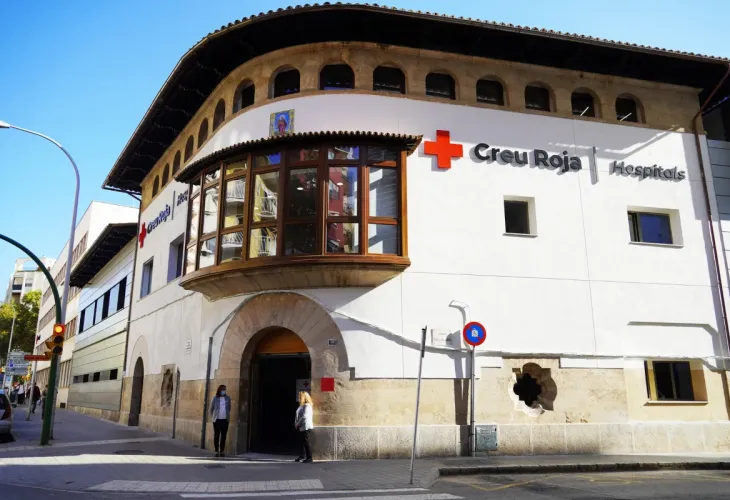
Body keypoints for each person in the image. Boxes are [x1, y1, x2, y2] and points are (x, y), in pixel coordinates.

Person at [209, 385, 231, 457]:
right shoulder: (215, 398)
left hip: (225, 420)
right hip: (217, 420)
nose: (223, 391)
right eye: (222, 389)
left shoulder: (228, 398)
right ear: (219, 390)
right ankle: (216, 450)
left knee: (223, 436)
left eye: (224, 389)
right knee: (217, 435)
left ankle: (222, 451)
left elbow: (229, 408)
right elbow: (211, 409)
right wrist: (213, 417)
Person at [294, 391, 314, 463]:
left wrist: (297, 424)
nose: (299, 398)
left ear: (304, 397)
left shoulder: (307, 406)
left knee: (306, 442)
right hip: (301, 426)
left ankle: (309, 458)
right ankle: (302, 456)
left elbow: (304, 416)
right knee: (302, 442)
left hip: (305, 427)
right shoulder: (302, 406)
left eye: (300, 397)